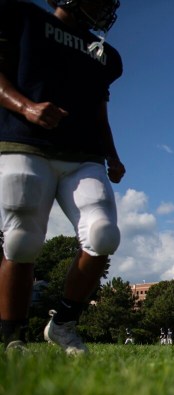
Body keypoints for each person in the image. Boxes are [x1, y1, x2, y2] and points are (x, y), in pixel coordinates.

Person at [0, 0, 124, 355]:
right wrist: (26, 107)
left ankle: (64, 322)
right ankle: (12, 337)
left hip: (83, 154)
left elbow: (99, 110)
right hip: (24, 142)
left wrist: (112, 155)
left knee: (103, 235)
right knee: (22, 240)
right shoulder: (22, 16)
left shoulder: (103, 54)